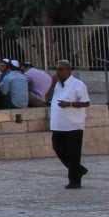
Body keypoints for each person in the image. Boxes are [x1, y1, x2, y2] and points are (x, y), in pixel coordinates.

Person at [48, 60, 91, 189]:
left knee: (73, 153)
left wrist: (70, 104)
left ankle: (74, 180)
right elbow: (46, 98)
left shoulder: (78, 84)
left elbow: (86, 103)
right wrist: (52, 83)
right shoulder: (57, 85)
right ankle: (79, 169)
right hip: (58, 125)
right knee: (58, 149)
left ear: (68, 71)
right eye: (57, 69)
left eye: (61, 69)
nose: (58, 72)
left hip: (73, 125)